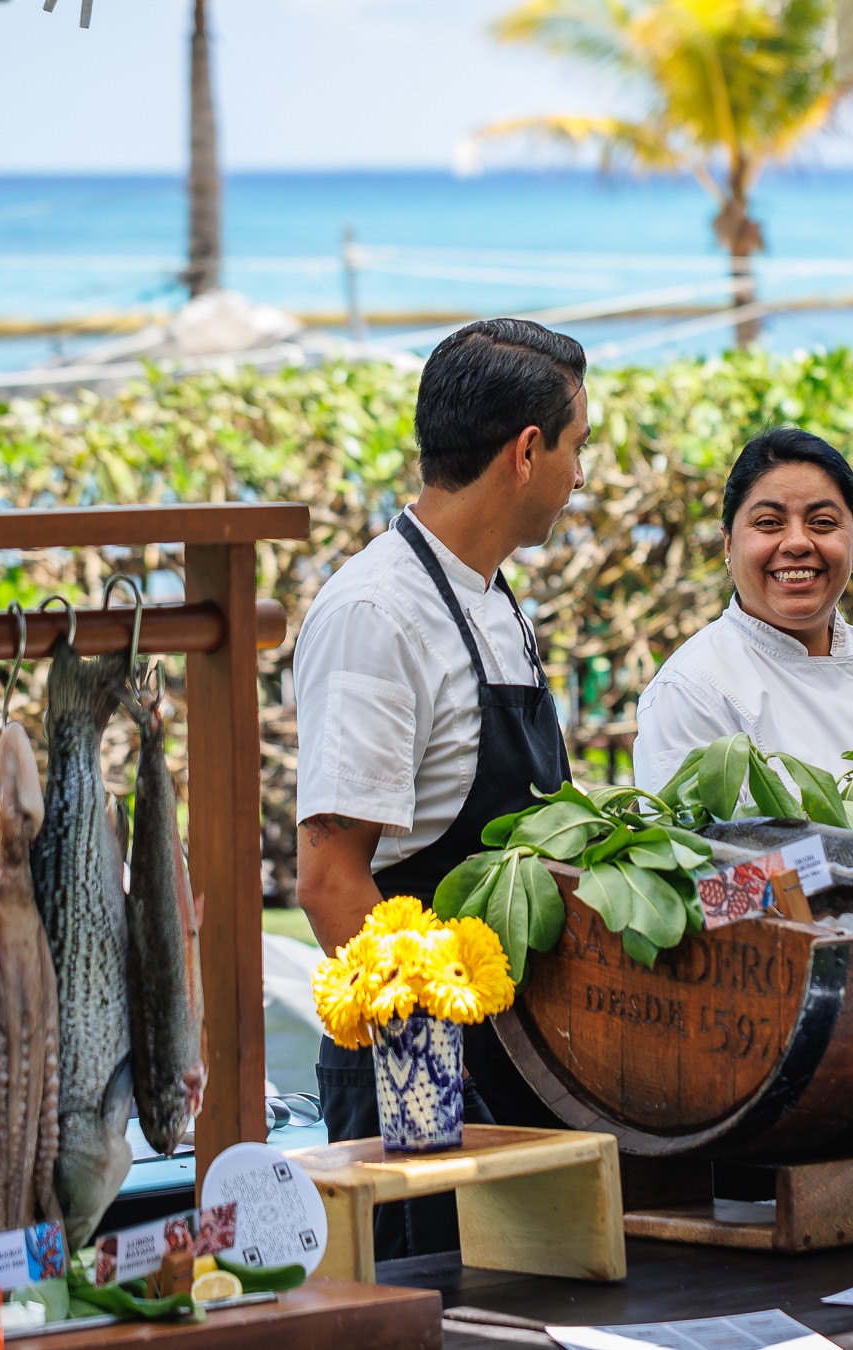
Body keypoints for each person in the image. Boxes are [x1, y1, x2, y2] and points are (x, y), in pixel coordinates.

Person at [291, 317, 587, 1255]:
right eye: (580, 448)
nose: (583, 476)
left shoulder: (493, 597)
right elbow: (330, 880)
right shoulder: (378, 615)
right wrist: (434, 1078)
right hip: (416, 1081)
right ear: (527, 452)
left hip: (519, 1058)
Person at [632, 426, 853, 788]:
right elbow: (701, 844)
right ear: (728, 544)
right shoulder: (689, 690)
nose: (797, 542)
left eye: (822, 522)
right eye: (768, 523)